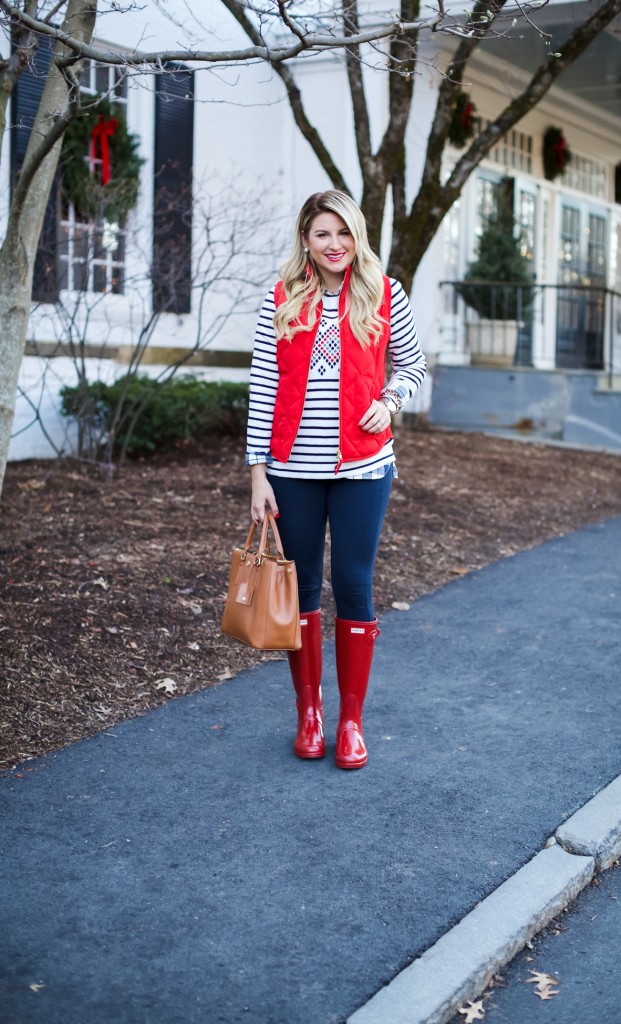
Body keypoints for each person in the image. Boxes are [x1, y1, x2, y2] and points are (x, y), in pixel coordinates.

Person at [246, 190, 426, 769]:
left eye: (344, 233)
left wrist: (392, 400)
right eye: (323, 234)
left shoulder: (383, 293)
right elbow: (262, 392)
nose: (335, 245)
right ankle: (309, 713)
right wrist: (257, 475)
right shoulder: (280, 300)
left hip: (364, 468)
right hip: (292, 471)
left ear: (358, 236)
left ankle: (350, 720)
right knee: (299, 590)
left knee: (353, 583)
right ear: (305, 239)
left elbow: (414, 364)